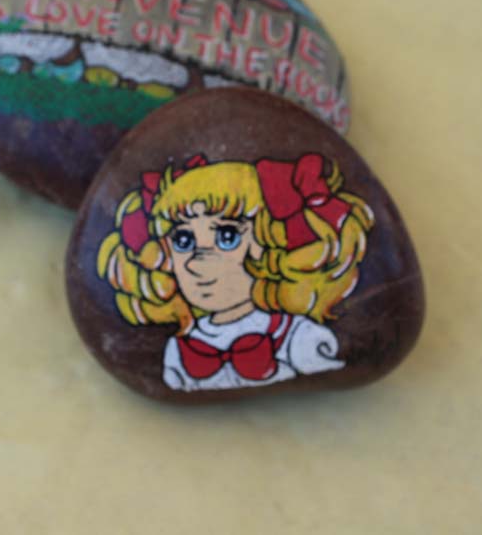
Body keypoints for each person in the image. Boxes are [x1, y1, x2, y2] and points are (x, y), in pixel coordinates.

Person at [96, 152, 374, 392]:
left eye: (227, 236)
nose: (198, 262)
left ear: (266, 243)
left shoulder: (299, 337)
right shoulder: (177, 353)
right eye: (183, 241)